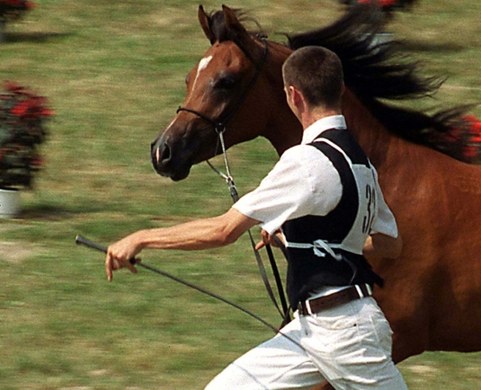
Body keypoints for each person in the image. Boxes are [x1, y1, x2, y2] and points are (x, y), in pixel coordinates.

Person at [105, 46, 407, 389]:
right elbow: (389, 243)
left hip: (346, 334)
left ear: (293, 96)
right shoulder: (360, 164)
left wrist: (141, 238)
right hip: (313, 330)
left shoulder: (307, 162)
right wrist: (299, 241)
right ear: (338, 90)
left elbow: (223, 231)